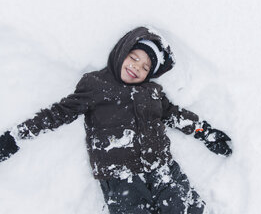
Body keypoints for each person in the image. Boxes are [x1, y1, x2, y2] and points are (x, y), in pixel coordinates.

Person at [0, 26, 232, 214]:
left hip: (163, 169)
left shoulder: (152, 92)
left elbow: (175, 115)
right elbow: (58, 113)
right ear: (122, 52)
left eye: (145, 67)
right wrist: (15, 136)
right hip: (121, 178)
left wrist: (206, 133)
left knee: (188, 209)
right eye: (133, 57)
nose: (136, 68)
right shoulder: (96, 85)